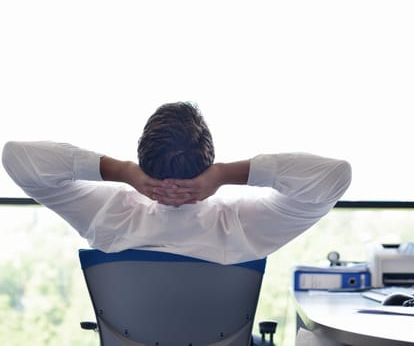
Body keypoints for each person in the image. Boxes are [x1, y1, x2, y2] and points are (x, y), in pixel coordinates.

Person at [2, 102, 351, 264]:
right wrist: (226, 174)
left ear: (143, 161)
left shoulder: (109, 218)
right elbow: (335, 176)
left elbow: (16, 157)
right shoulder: (243, 228)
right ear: (208, 162)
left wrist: (124, 172)